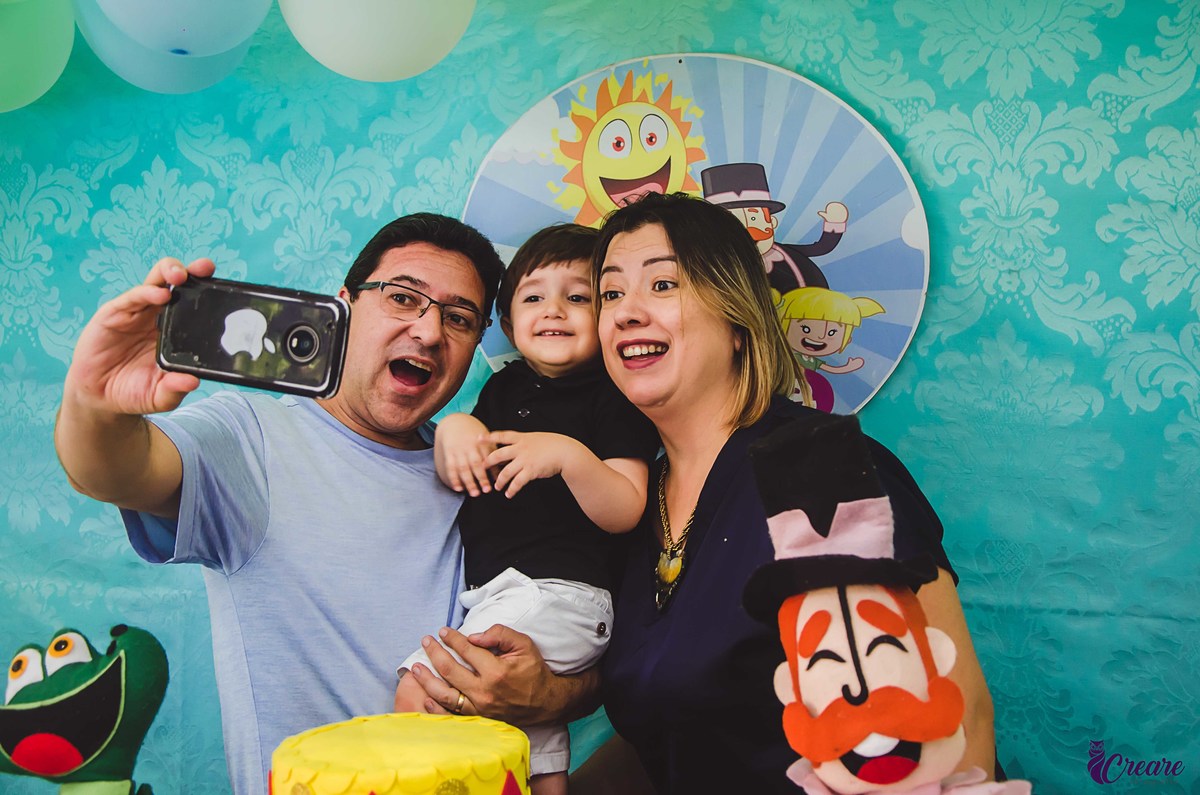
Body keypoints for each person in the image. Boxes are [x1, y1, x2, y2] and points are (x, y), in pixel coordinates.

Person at [53, 214, 597, 795]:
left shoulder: (485, 462)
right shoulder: (251, 437)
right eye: (402, 298)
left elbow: (582, 619)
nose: (430, 331)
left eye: (459, 318)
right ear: (343, 307)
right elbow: (116, 471)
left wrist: (555, 694)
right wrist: (96, 402)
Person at [566, 191, 995, 793]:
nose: (627, 312)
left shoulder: (824, 473)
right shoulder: (629, 503)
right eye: (610, 293)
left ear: (737, 319)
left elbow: (954, 725)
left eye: (663, 285)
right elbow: (676, 734)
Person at [392, 224, 659, 795]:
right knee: (530, 736)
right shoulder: (504, 387)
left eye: (579, 297)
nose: (554, 310)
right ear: (510, 324)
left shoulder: (613, 394)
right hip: (505, 595)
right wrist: (458, 430)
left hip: (564, 595)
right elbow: (464, 468)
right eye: (534, 296)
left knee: (420, 685)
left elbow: (629, 507)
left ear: (608, 315)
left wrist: (568, 456)